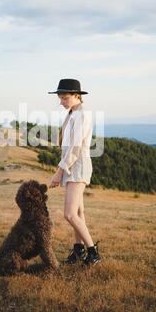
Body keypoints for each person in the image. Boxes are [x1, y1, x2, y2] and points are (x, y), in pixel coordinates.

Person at [48, 78, 101, 266]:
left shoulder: (82, 115)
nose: (61, 102)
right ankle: (78, 250)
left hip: (78, 165)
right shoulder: (73, 113)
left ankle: (93, 252)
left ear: (76, 96)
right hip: (74, 164)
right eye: (60, 98)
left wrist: (59, 172)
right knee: (79, 211)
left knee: (69, 214)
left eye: (64, 98)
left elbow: (75, 148)